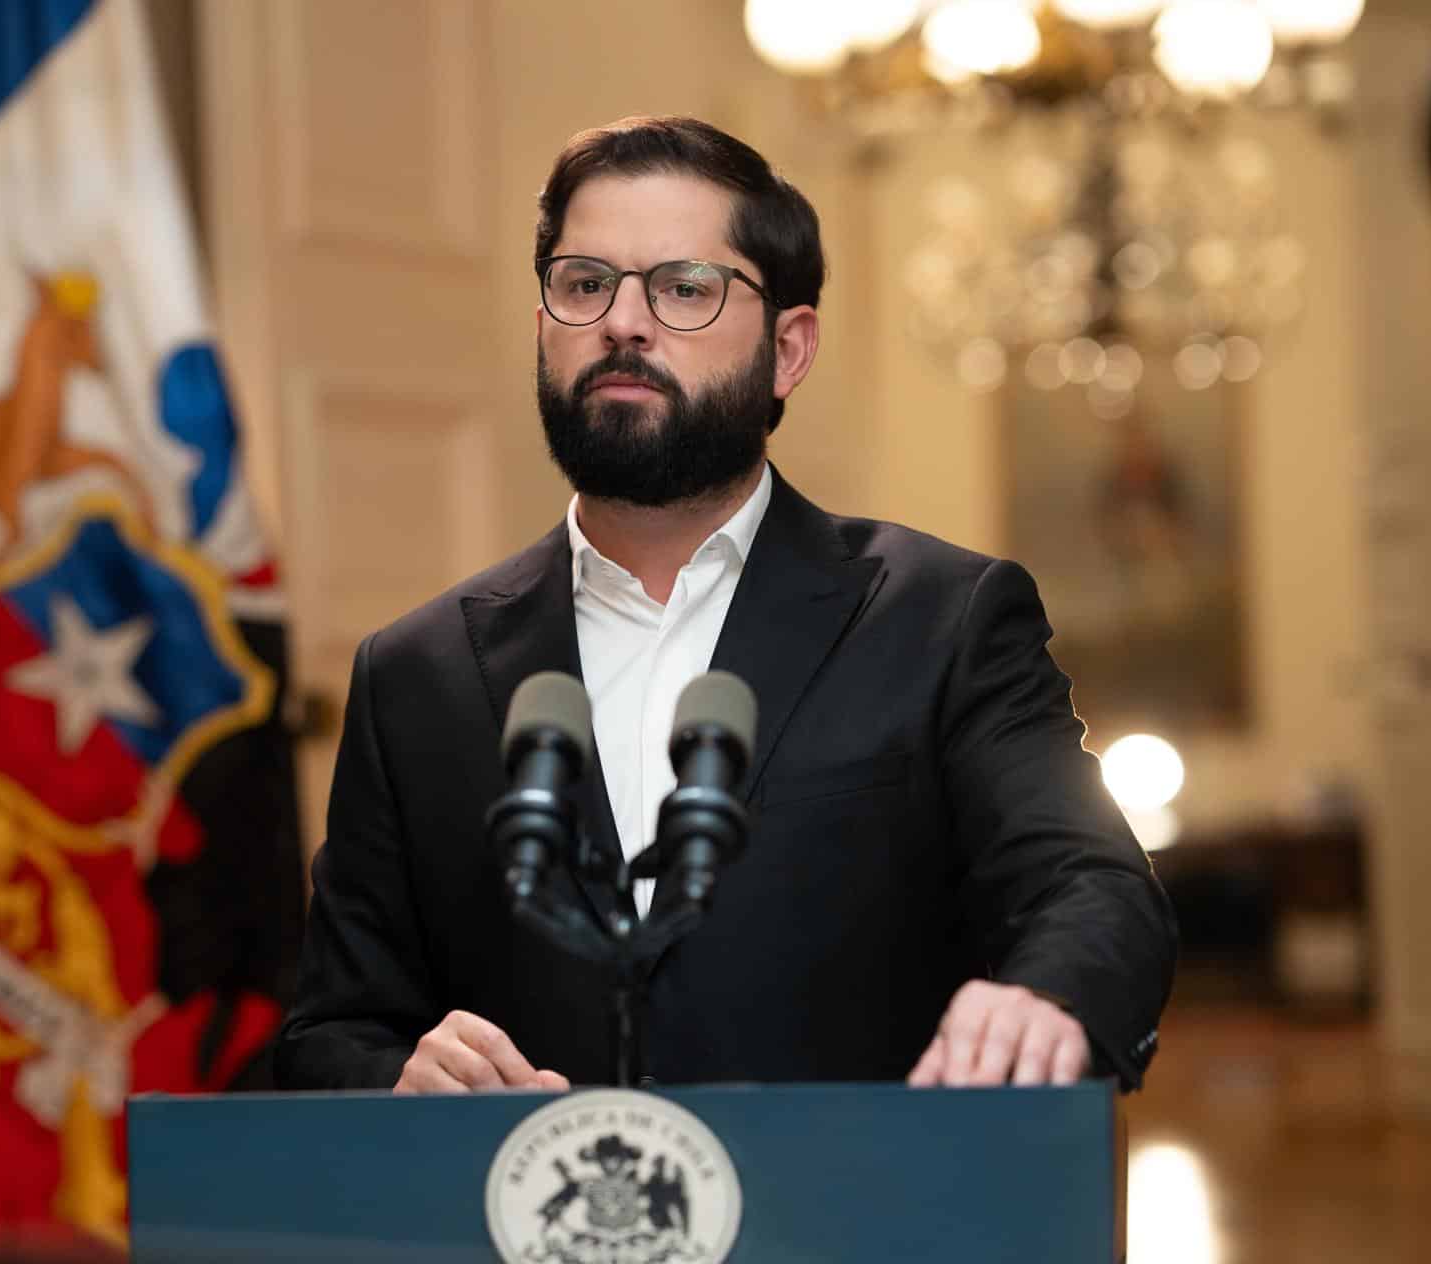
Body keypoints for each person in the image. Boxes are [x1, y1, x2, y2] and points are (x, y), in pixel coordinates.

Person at [273, 116, 1177, 1096]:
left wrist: (1042, 1000)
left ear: (788, 350)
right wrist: (399, 1074)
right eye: (584, 284)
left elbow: (1093, 888)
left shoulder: (942, 620)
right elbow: (335, 1027)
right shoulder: (415, 673)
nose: (623, 321)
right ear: (544, 327)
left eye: (684, 289)